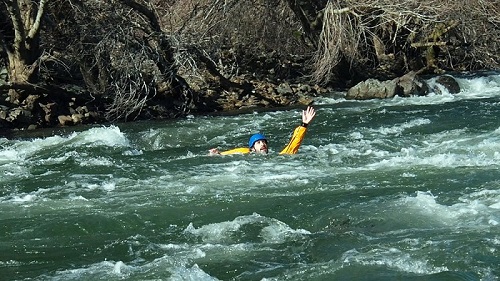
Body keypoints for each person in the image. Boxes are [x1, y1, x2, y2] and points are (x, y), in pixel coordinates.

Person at [209, 106, 316, 155]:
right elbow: (229, 153)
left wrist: (304, 125)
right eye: (259, 143)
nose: (263, 144)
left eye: (264, 142)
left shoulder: (276, 157)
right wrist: (218, 153)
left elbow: (292, 146)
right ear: (253, 148)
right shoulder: (246, 152)